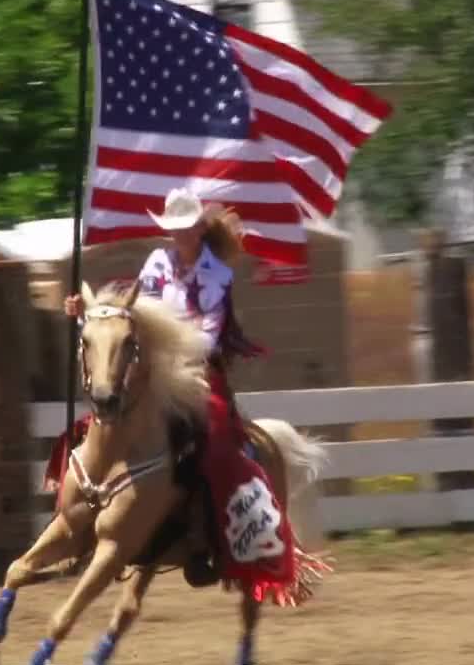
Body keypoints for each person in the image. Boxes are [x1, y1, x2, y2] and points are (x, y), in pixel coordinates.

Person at [49, 187, 310, 603]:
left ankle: (214, 541)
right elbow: (132, 316)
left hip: (201, 371)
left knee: (218, 447)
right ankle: (75, 524)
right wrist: (86, 313)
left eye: (186, 228)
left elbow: (209, 336)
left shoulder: (217, 274)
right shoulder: (157, 264)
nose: (179, 236)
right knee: (93, 429)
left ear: (200, 228)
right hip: (155, 370)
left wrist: (171, 355)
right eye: (173, 229)